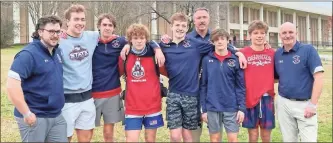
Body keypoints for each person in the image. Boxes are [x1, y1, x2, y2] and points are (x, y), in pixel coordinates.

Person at [6, 15, 67, 142]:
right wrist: (26, 113)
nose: (55, 35)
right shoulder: (28, 55)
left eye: (58, 31)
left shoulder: (57, 52)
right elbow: (12, 86)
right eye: (51, 31)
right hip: (35, 116)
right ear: (40, 32)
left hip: (56, 115)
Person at [275, 22, 324, 142]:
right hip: (283, 103)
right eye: (284, 33)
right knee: (289, 140)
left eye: (291, 32)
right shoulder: (277, 54)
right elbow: (276, 78)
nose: (287, 35)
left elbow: (319, 77)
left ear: (296, 33)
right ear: (280, 35)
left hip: (305, 105)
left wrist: (312, 105)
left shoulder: (308, 50)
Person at [119, 23, 164, 142]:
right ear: (130, 40)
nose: (139, 41)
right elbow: (118, 72)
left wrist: (158, 48)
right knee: (131, 140)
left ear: (146, 39)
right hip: (133, 106)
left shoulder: (155, 54)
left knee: (150, 139)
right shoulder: (125, 55)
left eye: (142, 38)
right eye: (135, 38)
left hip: (152, 106)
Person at [200, 28, 246, 142]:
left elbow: (240, 86)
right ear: (213, 42)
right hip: (212, 106)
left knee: (233, 139)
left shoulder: (235, 60)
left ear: (227, 41)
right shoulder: (206, 60)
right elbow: (203, 85)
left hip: (231, 106)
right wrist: (204, 109)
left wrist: (241, 108)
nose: (220, 42)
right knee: (215, 139)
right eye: (216, 39)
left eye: (222, 39)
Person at [91, 13, 126, 142]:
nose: (107, 27)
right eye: (104, 24)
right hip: (92, 93)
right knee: (87, 130)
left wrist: (127, 45)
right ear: (99, 26)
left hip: (112, 92)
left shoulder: (120, 41)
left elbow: (141, 41)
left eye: (110, 25)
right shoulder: (90, 41)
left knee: (108, 131)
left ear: (114, 28)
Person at [240, 20, 276, 142]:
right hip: (250, 98)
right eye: (256, 33)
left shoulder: (272, 53)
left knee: (266, 135)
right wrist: (238, 54)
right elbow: (226, 49)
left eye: (262, 33)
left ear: (266, 35)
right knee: (253, 135)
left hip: (267, 98)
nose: (259, 36)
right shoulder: (243, 52)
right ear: (249, 35)